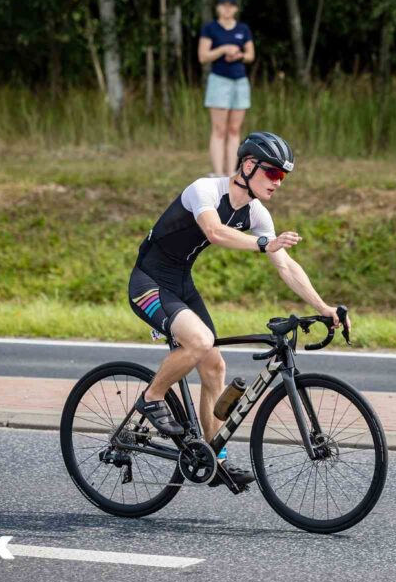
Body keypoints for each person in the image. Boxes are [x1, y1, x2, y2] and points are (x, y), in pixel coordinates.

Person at [127, 131, 349, 487]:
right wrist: (264, 243)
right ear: (248, 166)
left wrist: (323, 307)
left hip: (181, 283)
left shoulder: (255, 213)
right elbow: (214, 232)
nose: (278, 183)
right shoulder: (205, 190)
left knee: (214, 364)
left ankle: (214, 458)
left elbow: (286, 265)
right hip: (148, 282)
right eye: (273, 173)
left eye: (283, 177)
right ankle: (151, 399)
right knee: (199, 342)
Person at [198, 0, 255, 177]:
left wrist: (239, 55)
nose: (227, 9)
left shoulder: (243, 29)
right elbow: (203, 56)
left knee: (234, 129)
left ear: (236, 9)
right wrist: (223, 49)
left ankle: (231, 171)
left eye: (231, 6)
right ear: (218, 8)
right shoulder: (210, 29)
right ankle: (217, 173)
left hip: (239, 82)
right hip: (219, 81)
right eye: (224, 5)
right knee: (219, 130)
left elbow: (250, 55)